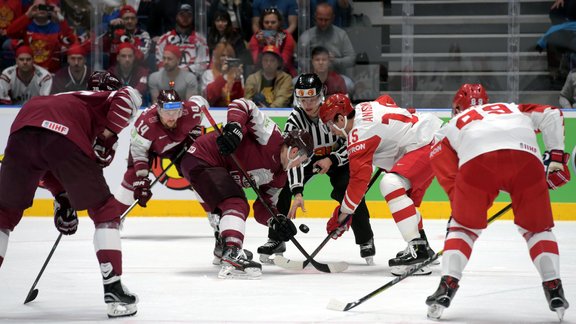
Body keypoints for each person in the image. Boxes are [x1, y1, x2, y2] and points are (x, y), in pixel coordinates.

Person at [0, 71, 142, 318]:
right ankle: (114, 289)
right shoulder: (103, 98)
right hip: (62, 135)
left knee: (3, 215)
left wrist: (63, 197)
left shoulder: (67, 100)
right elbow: (129, 97)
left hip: (21, 130)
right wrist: (107, 137)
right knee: (105, 210)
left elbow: (43, 163)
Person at [425, 84, 571, 321]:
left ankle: (448, 285)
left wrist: (464, 214)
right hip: (526, 159)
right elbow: (552, 113)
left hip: (477, 164)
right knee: (537, 230)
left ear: (456, 108)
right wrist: (555, 158)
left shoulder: (449, 128)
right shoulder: (512, 108)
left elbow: (451, 178)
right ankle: (553, 285)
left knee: (462, 228)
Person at [179, 98, 314, 279]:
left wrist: (276, 221)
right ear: (295, 151)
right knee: (235, 203)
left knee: (229, 206)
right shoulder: (270, 135)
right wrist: (234, 128)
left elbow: (262, 208)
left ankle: (224, 247)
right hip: (202, 158)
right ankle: (232, 253)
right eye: (302, 161)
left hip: (213, 169)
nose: (300, 165)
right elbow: (243, 104)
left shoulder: (279, 177)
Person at [257, 73, 376, 265]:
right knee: (283, 189)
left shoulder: (333, 112)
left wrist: (332, 159)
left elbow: (352, 141)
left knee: (350, 190)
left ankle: (365, 239)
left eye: (312, 98)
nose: (308, 104)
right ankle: (276, 238)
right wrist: (297, 191)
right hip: (307, 160)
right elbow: (292, 157)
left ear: (321, 95)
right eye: (303, 99)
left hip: (337, 159)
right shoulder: (295, 120)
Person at [318, 93, 443, 275]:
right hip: (428, 137)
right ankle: (422, 245)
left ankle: (419, 251)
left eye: (330, 123)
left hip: (425, 144)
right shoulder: (363, 107)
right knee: (405, 201)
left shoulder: (358, 136)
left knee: (391, 184)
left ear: (340, 118)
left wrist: (343, 215)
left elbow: (358, 182)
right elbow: (386, 100)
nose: (331, 130)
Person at [115, 91, 206, 217]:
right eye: (166, 113)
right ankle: (114, 218)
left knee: (197, 174)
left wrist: (197, 127)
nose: (172, 118)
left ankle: (215, 216)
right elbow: (139, 151)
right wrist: (142, 178)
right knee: (132, 177)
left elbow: (200, 101)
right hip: (148, 149)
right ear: (158, 110)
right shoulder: (146, 124)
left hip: (179, 145)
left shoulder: (191, 112)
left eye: (176, 112)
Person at [6, 0, 77, 73]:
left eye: (44, 7)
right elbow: (9, 33)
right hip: (30, 71)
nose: (41, 9)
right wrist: (27, 15)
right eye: (36, 7)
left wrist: (60, 18)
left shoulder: (57, 26)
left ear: (50, 9)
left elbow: (72, 41)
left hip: (51, 72)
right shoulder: (26, 24)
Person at [298, 3, 356, 75]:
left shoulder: (341, 34)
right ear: (315, 17)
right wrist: (314, 61)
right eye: (320, 19)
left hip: (336, 75)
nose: (323, 23)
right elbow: (299, 58)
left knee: (348, 84)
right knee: (295, 82)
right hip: (312, 75)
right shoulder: (306, 35)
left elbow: (351, 59)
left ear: (333, 18)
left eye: (326, 20)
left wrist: (335, 61)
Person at [155, 3, 210, 77]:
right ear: (176, 16)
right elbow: (160, 64)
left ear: (192, 18)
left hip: (192, 80)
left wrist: (187, 70)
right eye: (182, 15)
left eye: (189, 15)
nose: (185, 18)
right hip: (169, 80)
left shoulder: (200, 40)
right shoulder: (164, 39)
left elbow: (203, 63)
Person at [248, 8, 296, 76]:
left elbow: (284, 64)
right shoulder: (256, 38)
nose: (270, 25)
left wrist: (274, 47)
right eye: (266, 22)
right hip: (261, 74)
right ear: (262, 23)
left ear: (279, 23)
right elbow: (257, 63)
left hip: (284, 74)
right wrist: (262, 45)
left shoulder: (287, 37)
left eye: (273, 22)